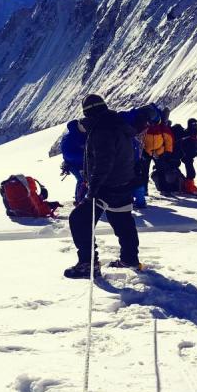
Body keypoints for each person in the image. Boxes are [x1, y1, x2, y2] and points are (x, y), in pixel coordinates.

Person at [64, 94, 141, 279]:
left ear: (87, 112)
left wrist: (93, 190)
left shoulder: (102, 130)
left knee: (79, 219)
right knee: (122, 221)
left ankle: (87, 264)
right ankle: (130, 258)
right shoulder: (117, 125)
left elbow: (103, 162)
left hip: (107, 186)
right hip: (123, 183)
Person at [60, 120, 87, 204]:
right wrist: (85, 156)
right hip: (73, 165)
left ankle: (81, 198)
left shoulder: (81, 135)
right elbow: (68, 155)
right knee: (82, 179)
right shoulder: (68, 139)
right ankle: (80, 200)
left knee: (84, 180)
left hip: (82, 163)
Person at [180, 118, 197, 194]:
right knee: (191, 172)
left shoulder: (194, 132)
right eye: (193, 124)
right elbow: (183, 144)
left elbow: (196, 142)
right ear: (189, 124)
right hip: (186, 156)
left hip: (190, 156)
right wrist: (185, 154)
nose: (195, 125)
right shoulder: (187, 133)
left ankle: (191, 186)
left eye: (196, 124)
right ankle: (189, 188)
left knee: (191, 172)